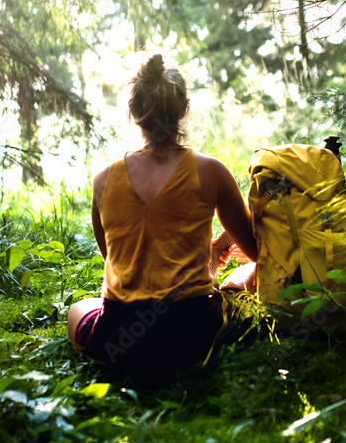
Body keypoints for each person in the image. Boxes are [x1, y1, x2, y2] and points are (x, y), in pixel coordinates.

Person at [66, 54, 258, 384]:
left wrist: (208, 253)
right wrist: (226, 242)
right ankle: (217, 289)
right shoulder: (210, 171)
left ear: (135, 112)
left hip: (120, 343)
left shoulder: (102, 181)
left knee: (79, 308)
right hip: (196, 337)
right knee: (245, 276)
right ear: (183, 109)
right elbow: (257, 251)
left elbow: (118, 261)